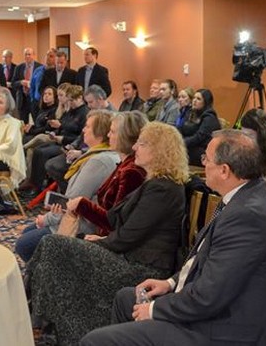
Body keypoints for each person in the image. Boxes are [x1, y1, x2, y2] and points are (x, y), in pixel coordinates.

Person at [83, 129, 266, 346]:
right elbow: (208, 259)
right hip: (221, 311)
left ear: (224, 170)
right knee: (126, 298)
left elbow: (209, 297)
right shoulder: (244, 197)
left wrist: (155, 310)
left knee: (95, 341)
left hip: (230, 332)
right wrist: (171, 282)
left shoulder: (249, 216)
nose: (203, 164)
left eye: (206, 159)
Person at [25, 122, 187, 345]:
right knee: (51, 245)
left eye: (141, 143)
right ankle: (39, 319)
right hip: (128, 255)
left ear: (159, 150)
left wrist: (99, 243)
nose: (135, 148)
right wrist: (89, 219)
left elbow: (128, 236)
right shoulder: (154, 183)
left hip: (140, 267)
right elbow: (115, 220)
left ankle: (38, 319)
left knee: (54, 244)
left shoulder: (164, 188)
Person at [15, 110, 117, 262]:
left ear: (99, 133)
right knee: (28, 233)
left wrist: (48, 219)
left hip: (80, 224)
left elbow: (72, 201)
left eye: (87, 127)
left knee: (23, 245)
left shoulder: (98, 162)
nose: (83, 130)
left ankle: (47, 276)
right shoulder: (97, 155)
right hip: (78, 216)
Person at [69, 111, 148, 234]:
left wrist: (82, 204)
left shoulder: (132, 171)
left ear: (125, 136)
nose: (108, 135)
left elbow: (115, 221)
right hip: (99, 230)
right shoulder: (123, 164)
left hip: (103, 236)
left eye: (112, 131)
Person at [20, 83, 88, 192]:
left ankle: (37, 186)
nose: (70, 103)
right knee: (37, 150)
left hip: (69, 144)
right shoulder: (72, 110)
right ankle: (33, 182)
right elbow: (63, 125)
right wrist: (56, 134)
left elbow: (80, 136)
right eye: (69, 100)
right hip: (61, 140)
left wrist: (62, 137)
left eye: (72, 100)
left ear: (80, 98)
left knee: (41, 152)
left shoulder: (84, 113)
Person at [180, 88, 221, 167]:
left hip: (203, 151)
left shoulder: (209, 117)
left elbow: (199, 137)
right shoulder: (191, 113)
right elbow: (182, 128)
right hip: (191, 146)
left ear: (205, 102)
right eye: (194, 98)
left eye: (198, 99)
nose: (194, 101)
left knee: (176, 152)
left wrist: (181, 143)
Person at [11, 47, 42, 124]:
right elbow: (13, 83)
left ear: (34, 55)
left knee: (37, 122)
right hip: (22, 100)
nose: (27, 56)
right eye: (25, 54)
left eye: (29, 54)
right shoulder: (19, 67)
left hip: (34, 99)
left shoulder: (40, 67)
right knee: (21, 123)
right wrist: (21, 82)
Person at [29, 48, 57, 118]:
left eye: (51, 56)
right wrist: (32, 99)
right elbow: (32, 85)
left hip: (48, 104)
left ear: (56, 59)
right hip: (36, 101)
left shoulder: (57, 72)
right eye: (47, 55)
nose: (48, 58)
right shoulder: (38, 70)